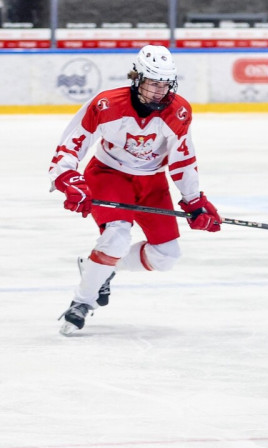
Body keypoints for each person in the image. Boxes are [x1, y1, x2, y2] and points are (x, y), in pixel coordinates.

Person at [48, 45, 221, 336]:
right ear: (137, 78)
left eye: (164, 85)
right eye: (153, 83)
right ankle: (81, 303)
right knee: (116, 237)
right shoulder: (106, 104)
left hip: (152, 182)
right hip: (108, 174)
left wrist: (195, 201)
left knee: (166, 256)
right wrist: (68, 177)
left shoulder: (178, 111)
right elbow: (73, 142)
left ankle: (99, 269)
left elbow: (183, 159)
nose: (158, 92)